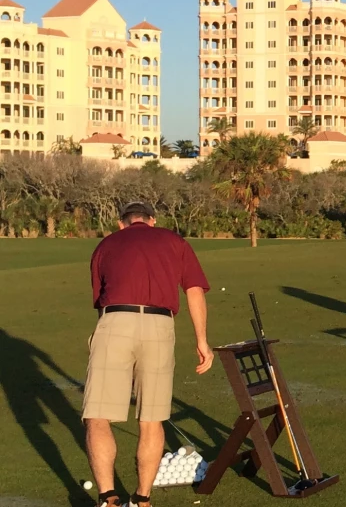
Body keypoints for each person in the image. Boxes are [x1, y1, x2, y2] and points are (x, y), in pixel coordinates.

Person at [84, 201, 214, 507]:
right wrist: (201, 341)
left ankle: (107, 498)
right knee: (151, 419)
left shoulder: (106, 244)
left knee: (98, 417)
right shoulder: (174, 241)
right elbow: (194, 290)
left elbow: (101, 298)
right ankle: (142, 499)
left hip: (114, 321)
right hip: (159, 324)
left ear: (121, 223)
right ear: (152, 221)